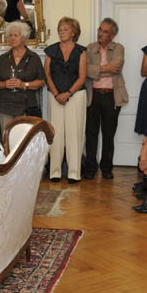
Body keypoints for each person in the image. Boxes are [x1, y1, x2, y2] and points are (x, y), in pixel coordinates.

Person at [84, 17, 128, 180]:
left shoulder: (118, 48)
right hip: (93, 95)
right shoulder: (89, 48)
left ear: (112, 35)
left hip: (111, 96)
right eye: (99, 30)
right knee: (91, 134)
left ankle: (107, 168)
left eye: (105, 32)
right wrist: (104, 69)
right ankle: (90, 167)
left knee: (108, 134)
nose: (100, 33)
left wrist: (95, 70)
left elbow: (116, 67)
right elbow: (85, 70)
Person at [45, 17, 87, 183]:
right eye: (60, 29)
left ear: (74, 32)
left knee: (74, 133)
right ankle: (54, 172)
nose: (61, 32)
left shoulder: (81, 51)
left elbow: (82, 77)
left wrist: (68, 93)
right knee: (55, 134)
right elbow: (47, 75)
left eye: (65, 29)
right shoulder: (50, 50)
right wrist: (57, 94)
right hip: (54, 96)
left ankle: (74, 173)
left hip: (76, 96)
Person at [0, 21, 46, 130]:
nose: (12, 38)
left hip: (26, 105)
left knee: (24, 137)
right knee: (7, 137)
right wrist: (4, 84)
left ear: (24, 38)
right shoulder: (3, 58)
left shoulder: (34, 58)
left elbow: (42, 81)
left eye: (16, 35)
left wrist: (24, 84)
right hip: (5, 105)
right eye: (10, 35)